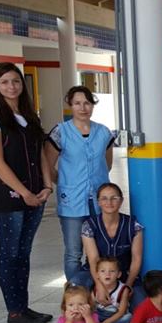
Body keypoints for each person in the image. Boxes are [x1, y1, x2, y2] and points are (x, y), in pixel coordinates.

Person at [0, 63, 54, 323]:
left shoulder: (30, 115)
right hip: (10, 198)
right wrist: (24, 193)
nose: (11, 87)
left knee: (23, 253)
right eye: (4, 82)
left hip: (36, 195)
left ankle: (23, 307)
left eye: (15, 81)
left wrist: (47, 185)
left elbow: (41, 154)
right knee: (9, 253)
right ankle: (14, 311)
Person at [45, 86, 115, 283]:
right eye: (77, 103)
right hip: (72, 201)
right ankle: (75, 292)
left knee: (100, 248)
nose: (83, 108)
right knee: (73, 251)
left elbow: (107, 164)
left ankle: (97, 289)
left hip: (101, 201)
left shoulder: (103, 132)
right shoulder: (60, 132)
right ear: (70, 105)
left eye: (87, 103)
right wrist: (65, 183)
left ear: (93, 105)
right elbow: (48, 165)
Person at [78, 183, 146, 308]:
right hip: (96, 273)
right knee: (75, 289)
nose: (109, 202)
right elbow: (94, 260)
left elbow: (136, 259)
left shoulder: (133, 225)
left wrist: (127, 287)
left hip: (123, 273)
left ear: (121, 201)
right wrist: (99, 285)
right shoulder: (89, 225)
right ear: (98, 202)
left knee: (140, 305)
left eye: (114, 198)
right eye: (104, 198)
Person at [91, 257, 131, 323]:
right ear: (97, 274)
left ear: (118, 274)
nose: (107, 274)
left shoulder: (123, 289)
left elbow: (121, 312)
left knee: (129, 317)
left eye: (112, 271)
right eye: (103, 271)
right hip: (98, 314)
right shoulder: (96, 288)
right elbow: (91, 307)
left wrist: (106, 322)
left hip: (114, 316)